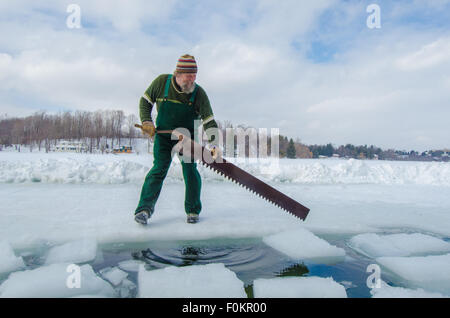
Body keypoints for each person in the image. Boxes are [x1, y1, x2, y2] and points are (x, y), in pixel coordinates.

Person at [135, 54, 219, 225]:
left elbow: (209, 120)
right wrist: (146, 121)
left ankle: (193, 210)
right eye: (189, 76)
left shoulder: (199, 93)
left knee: (190, 170)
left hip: (187, 139)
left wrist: (214, 144)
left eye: (195, 76)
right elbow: (145, 102)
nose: (192, 80)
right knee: (159, 169)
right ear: (178, 74)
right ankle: (144, 209)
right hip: (164, 138)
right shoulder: (161, 83)